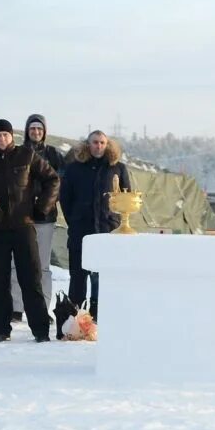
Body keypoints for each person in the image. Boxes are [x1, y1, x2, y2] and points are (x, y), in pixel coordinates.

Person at [0, 119, 58, 343]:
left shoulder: (26, 155)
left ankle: (41, 330)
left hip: (23, 227)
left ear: (12, 136)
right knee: (0, 281)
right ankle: (1, 330)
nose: (2, 139)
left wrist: (41, 208)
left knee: (31, 278)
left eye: (6, 135)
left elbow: (52, 179)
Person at [60, 130, 130, 316]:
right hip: (80, 229)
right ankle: (75, 315)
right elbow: (65, 199)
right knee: (78, 275)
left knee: (102, 276)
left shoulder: (118, 169)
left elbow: (126, 198)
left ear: (107, 145)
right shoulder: (74, 168)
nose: (98, 146)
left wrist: (114, 220)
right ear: (88, 144)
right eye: (95, 142)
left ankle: (100, 314)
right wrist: (74, 219)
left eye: (102, 142)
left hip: (107, 229)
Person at [8, 113, 64, 318]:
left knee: (42, 266)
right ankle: (16, 306)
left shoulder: (54, 154)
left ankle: (42, 308)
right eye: (32, 128)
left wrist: (44, 205)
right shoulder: (17, 153)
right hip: (20, 217)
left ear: (45, 132)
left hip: (45, 217)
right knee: (17, 263)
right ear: (27, 131)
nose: (36, 132)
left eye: (39, 129)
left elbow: (59, 183)